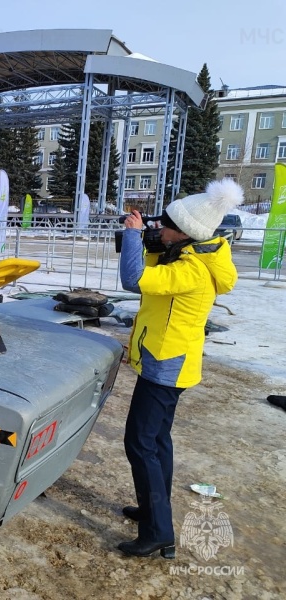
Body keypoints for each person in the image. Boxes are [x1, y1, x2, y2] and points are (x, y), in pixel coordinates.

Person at [117, 178, 244, 559]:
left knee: (139, 443)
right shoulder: (190, 255)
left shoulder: (192, 270)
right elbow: (152, 268)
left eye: (166, 225)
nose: (160, 229)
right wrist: (148, 241)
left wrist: (132, 239)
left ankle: (158, 531)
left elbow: (134, 279)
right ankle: (154, 509)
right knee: (157, 441)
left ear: (185, 234)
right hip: (168, 361)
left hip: (166, 366)